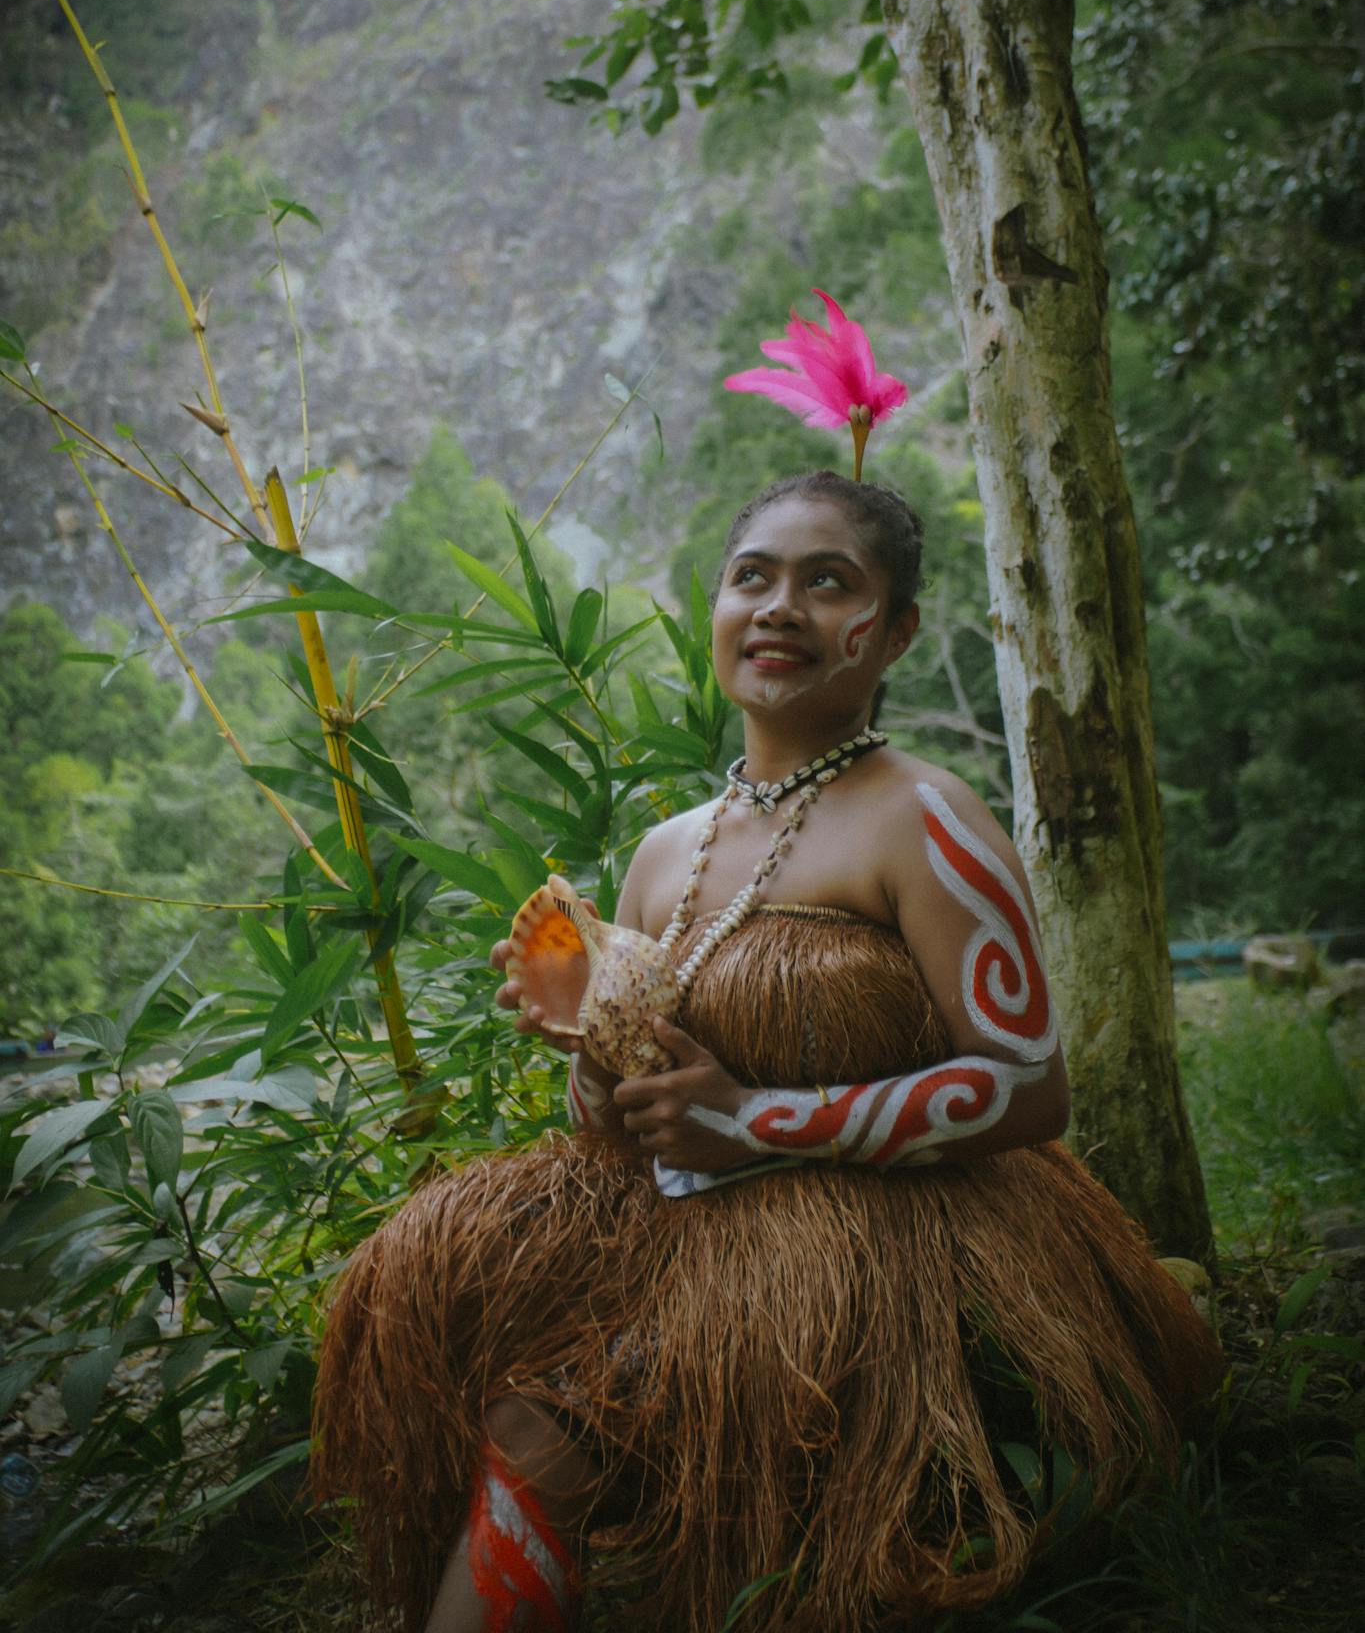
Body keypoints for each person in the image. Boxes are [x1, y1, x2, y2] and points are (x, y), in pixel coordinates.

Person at [312, 470, 1221, 1633]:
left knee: (544, 1435)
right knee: (432, 1320)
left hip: (890, 1243)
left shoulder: (924, 816)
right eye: (755, 577)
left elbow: (1027, 1080)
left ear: (892, 633)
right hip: (686, 1229)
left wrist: (752, 1123)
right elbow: (627, 1109)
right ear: (718, 612)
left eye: (828, 581)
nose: (781, 606)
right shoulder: (663, 851)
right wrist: (590, 1044)